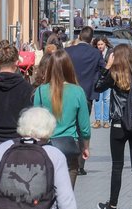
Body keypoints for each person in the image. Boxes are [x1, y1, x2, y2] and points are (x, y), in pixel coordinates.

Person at [95, 44, 132, 209]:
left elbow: (97, 87)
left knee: (117, 166)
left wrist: (107, 67)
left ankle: (113, 205)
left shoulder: (114, 75)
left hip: (119, 124)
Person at [33, 49, 91, 188]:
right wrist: (86, 147)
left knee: (48, 191)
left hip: (47, 146)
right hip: (70, 146)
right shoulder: (78, 91)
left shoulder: (40, 91)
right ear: (69, 67)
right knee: (67, 195)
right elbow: (85, 127)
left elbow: (34, 122)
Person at [65, 26, 105, 175]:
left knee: (69, 124)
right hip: (87, 95)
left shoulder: (68, 51)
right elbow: (102, 69)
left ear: (80, 37)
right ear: (92, 39)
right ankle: (80, 164)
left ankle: (68, 158)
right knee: (83, 127)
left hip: (68, 93)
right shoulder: (96, 53)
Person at [92, 36, 113, 129]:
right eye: (98, 44)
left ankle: (106, 121)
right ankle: (97, 120)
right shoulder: (94, 52)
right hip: (97, 78)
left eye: (101, 44)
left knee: (106, 100)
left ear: (105, 43)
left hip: (107, 78)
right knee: (97, 100)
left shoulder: (111, 52)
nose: (100, 46)